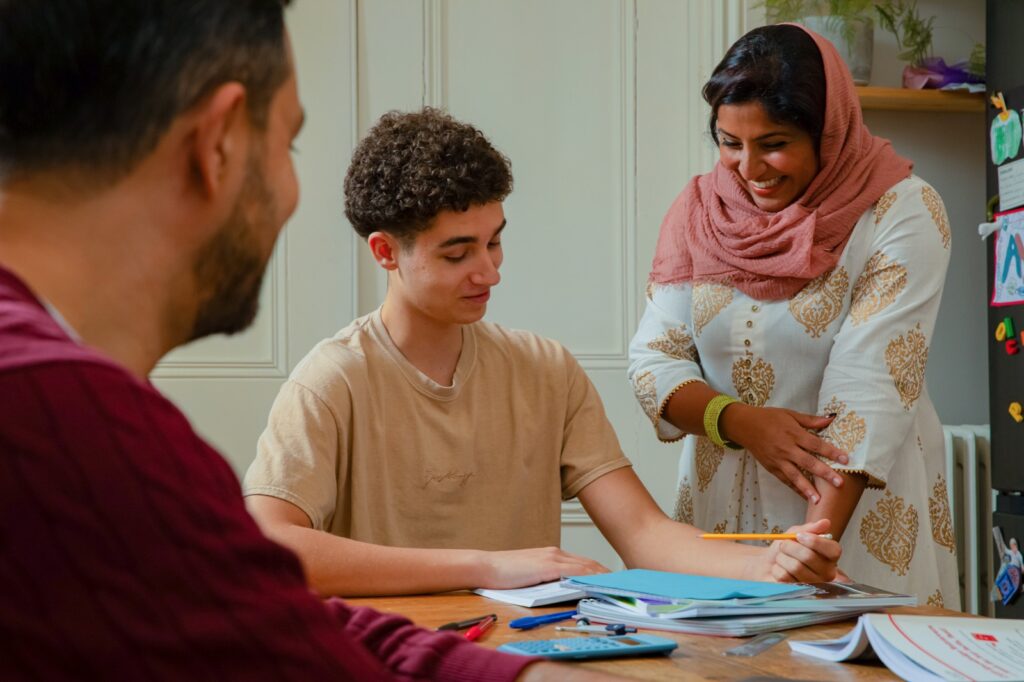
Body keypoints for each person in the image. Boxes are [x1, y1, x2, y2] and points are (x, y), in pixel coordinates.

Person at [0, 2, 601, 679]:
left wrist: (509, 672)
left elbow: (266, 609)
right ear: (219, 142)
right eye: (288, 144)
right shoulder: (68, 421)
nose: (291, 193)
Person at [243, 107, 842, 598]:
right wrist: (483, 566)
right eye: (458, 254)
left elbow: (642, 533)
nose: (489, 272)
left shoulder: (545, 370)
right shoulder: (332, 380)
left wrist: (767, 566)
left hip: (534, 656)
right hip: (397, 659)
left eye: (494, 243)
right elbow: (271, 549)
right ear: (384, 252)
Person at [628, 23, 958, 605]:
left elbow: (870, 390)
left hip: (848, 509)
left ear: (826, 133)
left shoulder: (900, 211)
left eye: (774, 142)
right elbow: (654, 358)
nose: (749, 168)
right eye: (730, 142)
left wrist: (806, 552)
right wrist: (740, 422)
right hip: (721, 513)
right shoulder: (699, 210)